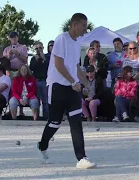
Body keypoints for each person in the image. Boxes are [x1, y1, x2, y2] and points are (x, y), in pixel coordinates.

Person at [37, 13, 96, 169]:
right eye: (84, 25)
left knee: (76, 123)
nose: (86, 28)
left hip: (72, 88)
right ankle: (42, 145)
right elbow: (59, 65)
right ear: (74, 24)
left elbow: (75, 66)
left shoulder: (78, 42)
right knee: (55, 123)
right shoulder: (61, 39)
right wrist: (73, 82)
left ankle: (82, 158)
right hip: (57, 86)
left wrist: (85, 83)